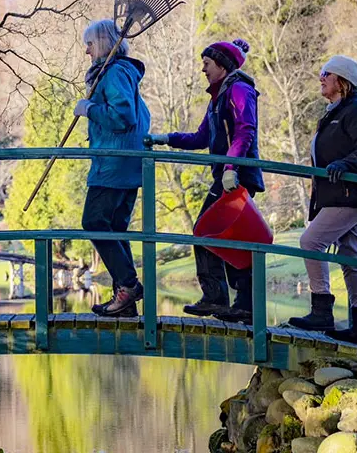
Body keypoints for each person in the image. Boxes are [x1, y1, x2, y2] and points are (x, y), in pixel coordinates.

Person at [149, 39, 264, 324]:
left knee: (212, 234)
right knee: (220, 236)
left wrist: (230, 167)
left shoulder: (239, 89)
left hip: (236, 176)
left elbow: (245, 130)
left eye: (207, 63)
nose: (202, 69)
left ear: (222, 65)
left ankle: (229, 299)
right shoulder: (218, 96)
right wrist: (166, 139)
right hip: (226, 175)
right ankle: (230, 300)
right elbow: (201, 137)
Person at [288, 56, 357, 344]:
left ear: (342, 81)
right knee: (352, 258)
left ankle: (322, 309)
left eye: (325, 73)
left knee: (310, 242)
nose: (321, 78)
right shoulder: (335, 111)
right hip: (340, 194)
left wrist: (346, 163)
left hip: (350, 194)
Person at [74, 20, 151, 317]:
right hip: (126, 163)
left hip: (114, 165)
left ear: (103, 43)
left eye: (90, 44)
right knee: (116, 228)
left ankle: (129, 285)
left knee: (94, 222)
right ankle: (125, 298)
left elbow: (124, 116)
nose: (86, 51)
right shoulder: (121, 73)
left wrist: (89, 109)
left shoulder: (116, 72)